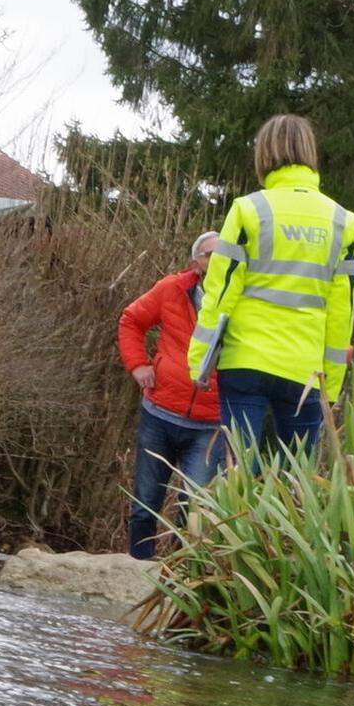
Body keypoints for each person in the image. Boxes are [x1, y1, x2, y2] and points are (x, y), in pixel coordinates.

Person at [189, 113, 354, 460]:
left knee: (238, 474)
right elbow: (342, 310)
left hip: (246, 360)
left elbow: (219, 293)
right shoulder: (344, 221)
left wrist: (200, 362)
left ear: (264, 154)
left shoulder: (248, 210)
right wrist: (333, 382)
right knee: (297, 481)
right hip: (305, 368)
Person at [116, 232, 228, 560]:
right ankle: (137, 569)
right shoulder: (172, 289)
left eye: (225, 254)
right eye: (209, 254)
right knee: (145, 502)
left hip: (210, 425)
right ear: (196, 261)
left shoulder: (243, 299)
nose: (217, 260)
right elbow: (131, 321)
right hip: (160, 413)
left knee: (192, 509)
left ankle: (177, 578)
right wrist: (138, 365)